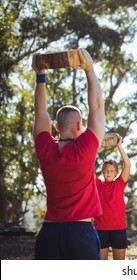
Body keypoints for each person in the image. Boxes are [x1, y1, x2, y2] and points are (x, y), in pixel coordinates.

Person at [32, 48, 105, 260]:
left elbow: (40, 112)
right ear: (80, 126)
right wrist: (89, 70)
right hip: (80, 234)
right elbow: (97, 107)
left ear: (56, 126)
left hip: (49, 234)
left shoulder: (45, 148)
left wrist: (40, 76)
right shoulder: (86, 147)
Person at [94, 134, 131, 260]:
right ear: (102, 172)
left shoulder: (119, 184)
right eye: (105, 170)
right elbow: (87, 166)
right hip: (100, 229)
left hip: (118, 229)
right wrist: (96, 146)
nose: (108, 173)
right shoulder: (97, 184)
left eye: (111, 171)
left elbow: (127, 165)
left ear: (116, 173)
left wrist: (119, 146)